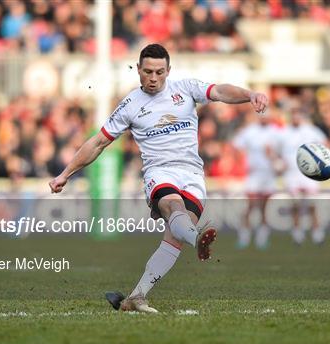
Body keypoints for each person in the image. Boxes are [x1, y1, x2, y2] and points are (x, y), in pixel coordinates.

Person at [48, 44, 268, 313]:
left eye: (160, 72)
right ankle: (197, 238)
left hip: (193, 174)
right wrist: (65, 174)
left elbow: (220, 91)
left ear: (168, 71)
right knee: (175, 209)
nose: (153, 78)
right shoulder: (130, 105)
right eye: (148, 71)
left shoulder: (185, 89)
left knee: (174, 239)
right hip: (160, 172)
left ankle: (136, 298)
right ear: (138, 69)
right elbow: (97, 143)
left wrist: (250, 94)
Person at [278, 99, 328, 245]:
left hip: (309, 173)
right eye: (293, 115)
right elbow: (271, 149)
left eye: (298, 114)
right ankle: (297, 234)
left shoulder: (310, 130)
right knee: (295, 205)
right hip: (292, 174)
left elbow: (325, 144)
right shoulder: (283, 132)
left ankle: (317, 234)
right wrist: (278, 162)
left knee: (312, 204)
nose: (295, 117)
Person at [232, 114, 283, 249]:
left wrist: (275, 160)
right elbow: (236, 146)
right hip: (254, 175)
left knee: (264, 209)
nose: (264, 118)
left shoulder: (276, 132)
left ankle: (262, 239)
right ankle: (244, 237)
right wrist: (242, 163)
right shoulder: (250, 130)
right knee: (251, 205)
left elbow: (282, 152)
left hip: (269, 175)